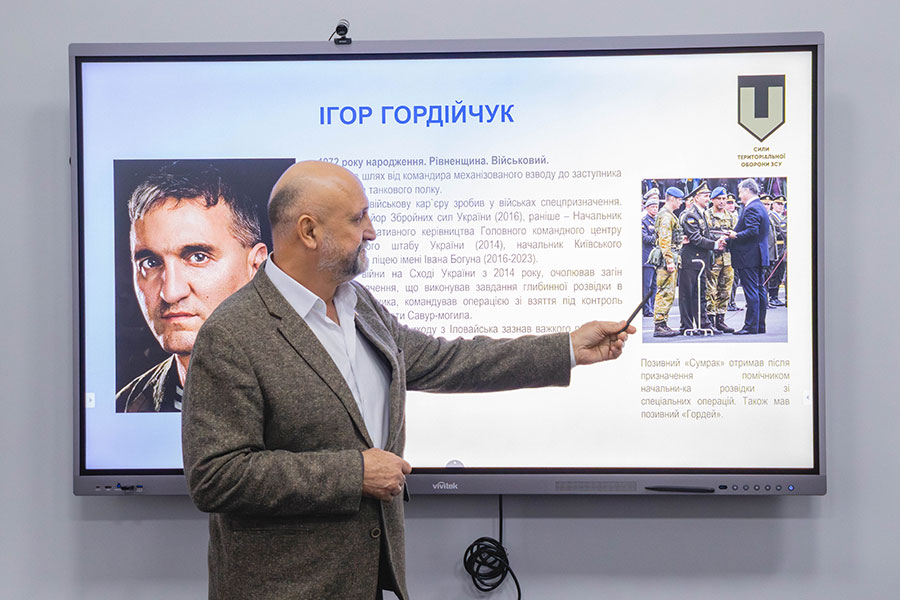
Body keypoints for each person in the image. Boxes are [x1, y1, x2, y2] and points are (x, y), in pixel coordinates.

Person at [181, 161, 635, 600]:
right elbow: (215, 476)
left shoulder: (358, 304)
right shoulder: (233, 333)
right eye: (358, 218)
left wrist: (568, 349)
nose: (372, 231)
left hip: (365, 582)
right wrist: (355, 473)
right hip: (284, 589)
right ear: (309, 231)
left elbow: (447, 360)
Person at [116, 162, 268, 412]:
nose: (170, 292)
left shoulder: (308, 395)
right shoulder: (126, 404)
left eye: (198, 257)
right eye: (151, 262)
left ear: (256, 266)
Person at [678, 181, 726, 333]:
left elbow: (706, 234)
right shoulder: (690, 215)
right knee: (687, 294)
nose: (708, 199)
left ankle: (703, 324)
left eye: (708, 195)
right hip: (691, 259)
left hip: (701, 260)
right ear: (696, 197)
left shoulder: (702, 213)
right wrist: (714, 245)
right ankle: (686, 326)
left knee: (700, 294)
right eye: (705, 196)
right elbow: (696, 238)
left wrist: (718, 240)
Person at [727, 178, 770, 334]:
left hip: (749, 256)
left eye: (740, 192)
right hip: (758, 255)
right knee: (759, 290)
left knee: (752, 291)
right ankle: (759, 325)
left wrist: (735, 235)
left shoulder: (752, 208)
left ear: (746, 190)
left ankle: (751, 326)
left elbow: (752, 230)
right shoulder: (760, 206)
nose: (739, 195)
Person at [652, 187, 685, 337]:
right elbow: (664, 241)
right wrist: (669, 261)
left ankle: (662, 324)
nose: (680, 202)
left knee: (668, 292)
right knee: (665, 291)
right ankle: (659, 325)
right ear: (672, 199)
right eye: (679, 200)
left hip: (670, 255)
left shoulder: (668, 215)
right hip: (667, 259)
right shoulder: (666, 216)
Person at [705, 187, 737, 333]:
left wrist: (728, 239)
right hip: (713, 257)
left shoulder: (731, 216)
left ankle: (721, 319)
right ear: (712, 200)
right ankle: (710, 319)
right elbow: (704, 234)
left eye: (724, 199)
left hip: (727, 257)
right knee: (711, 289)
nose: (722, 202)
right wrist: (718, 240)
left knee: (725, 289)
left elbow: (736, 233)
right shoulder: (707, 215)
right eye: (719, 199)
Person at [641, 188, 660, 317]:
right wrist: (656, 237)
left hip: (656, 259)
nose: (655, 209)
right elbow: (645, 238)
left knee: (654, 285)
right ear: (647, 208)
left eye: (656, 207)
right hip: (647, 257)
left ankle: (652, 307)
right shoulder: (644, 222)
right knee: (646, 285)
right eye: (652, 207)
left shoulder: (657, 221)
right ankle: (646, 308)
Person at [767, 194, 788, 307]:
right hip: (775, 247)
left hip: (782, 247)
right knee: (774, 273)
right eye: (778, 204)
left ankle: (775, 296)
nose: (780, 206)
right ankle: (772, 296)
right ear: (773, 205)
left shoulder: (782, 217)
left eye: (782, 204)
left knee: (780, 272)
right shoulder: (771, 216)